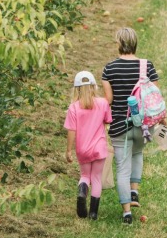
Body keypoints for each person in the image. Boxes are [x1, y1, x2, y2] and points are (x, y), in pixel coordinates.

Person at [102, 28, 162, 225]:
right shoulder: (147, 65)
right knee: (138, 154)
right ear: (135, 43)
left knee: (122, 168)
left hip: (120, 126)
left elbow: (109, 100)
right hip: (144, 125)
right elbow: (155, 96)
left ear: (119, 43)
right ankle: (134, 191)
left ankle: (127, 213)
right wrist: (163, 120)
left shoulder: (109, 69)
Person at [64, 70, 112, 221]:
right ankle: (93, 213)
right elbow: (107, 121)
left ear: (77, 89)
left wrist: (69, 150)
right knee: (96, 178)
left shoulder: (74, 107)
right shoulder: (103, 103)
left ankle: (81, 192)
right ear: (93, 86)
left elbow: (71, 130)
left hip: (82, 149)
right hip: (99, 147)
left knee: (85, 176)